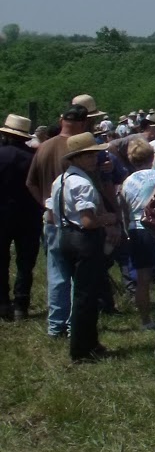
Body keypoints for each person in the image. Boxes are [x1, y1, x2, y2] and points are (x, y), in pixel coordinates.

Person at [45, 133, 117, 363]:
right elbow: (87, 221)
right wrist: (108, 218)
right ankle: (81, 350)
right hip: (84, 240)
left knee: (83, 292)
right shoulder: (83, 183)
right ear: (79, 158)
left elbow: (49, 216)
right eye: (90, 155)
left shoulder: (60, 180)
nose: (95, 159)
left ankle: (90, 342)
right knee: (86, 296)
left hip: (64, 236)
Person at [26, 100, 93, 338]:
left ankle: (55, 325)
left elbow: (31, 183)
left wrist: (47, 206)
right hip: (77, 222)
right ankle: (75, 323)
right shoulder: (80, 149)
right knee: (78, 276)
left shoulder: (44, 147)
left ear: (61, 120)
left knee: (56, 274)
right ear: (83, 123)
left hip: (51, 220)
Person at [0, 113, 42, 323]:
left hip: (2, 214)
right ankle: (21, 304)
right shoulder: (33, 157)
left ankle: (2, 302)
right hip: (29, 214)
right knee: (25, 262)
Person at [119, 139, 155, 330]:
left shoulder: (127, 182)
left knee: (142, 280)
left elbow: (123, 208)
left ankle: (145, 319)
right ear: (152, 157)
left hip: (137, 229)